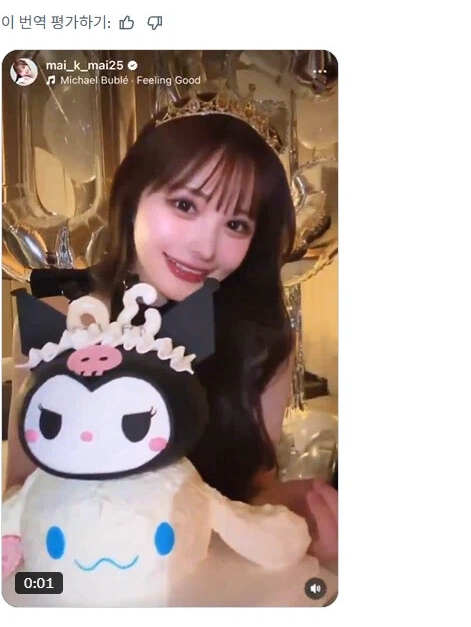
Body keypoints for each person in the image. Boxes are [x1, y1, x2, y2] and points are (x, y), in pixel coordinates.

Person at [5, 91, 337, 563]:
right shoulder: (62, 316)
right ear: (132, 196)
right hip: (78, 573)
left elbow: (253, 495)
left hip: (205, 578)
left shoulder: (262, 340)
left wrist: (303, 523)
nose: (205, 247)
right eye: (185, 205)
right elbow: (21, 493)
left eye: (237, 225)